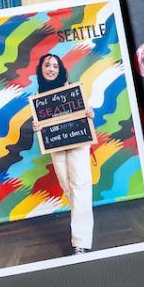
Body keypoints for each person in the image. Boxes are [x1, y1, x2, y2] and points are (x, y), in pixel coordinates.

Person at [31, 53, 95, 256]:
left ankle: (81, 242)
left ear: (60, 70)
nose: (51, 69)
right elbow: (42, 123)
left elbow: (85, 111)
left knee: (80, 186)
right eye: (47, 65)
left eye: (55, 66)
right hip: (55, 144)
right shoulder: (39, 96)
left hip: (77, 140)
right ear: (41, 68)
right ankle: (83, 222)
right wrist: (37, 127)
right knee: (68, 187)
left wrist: (90, 114)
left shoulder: (72, 89)